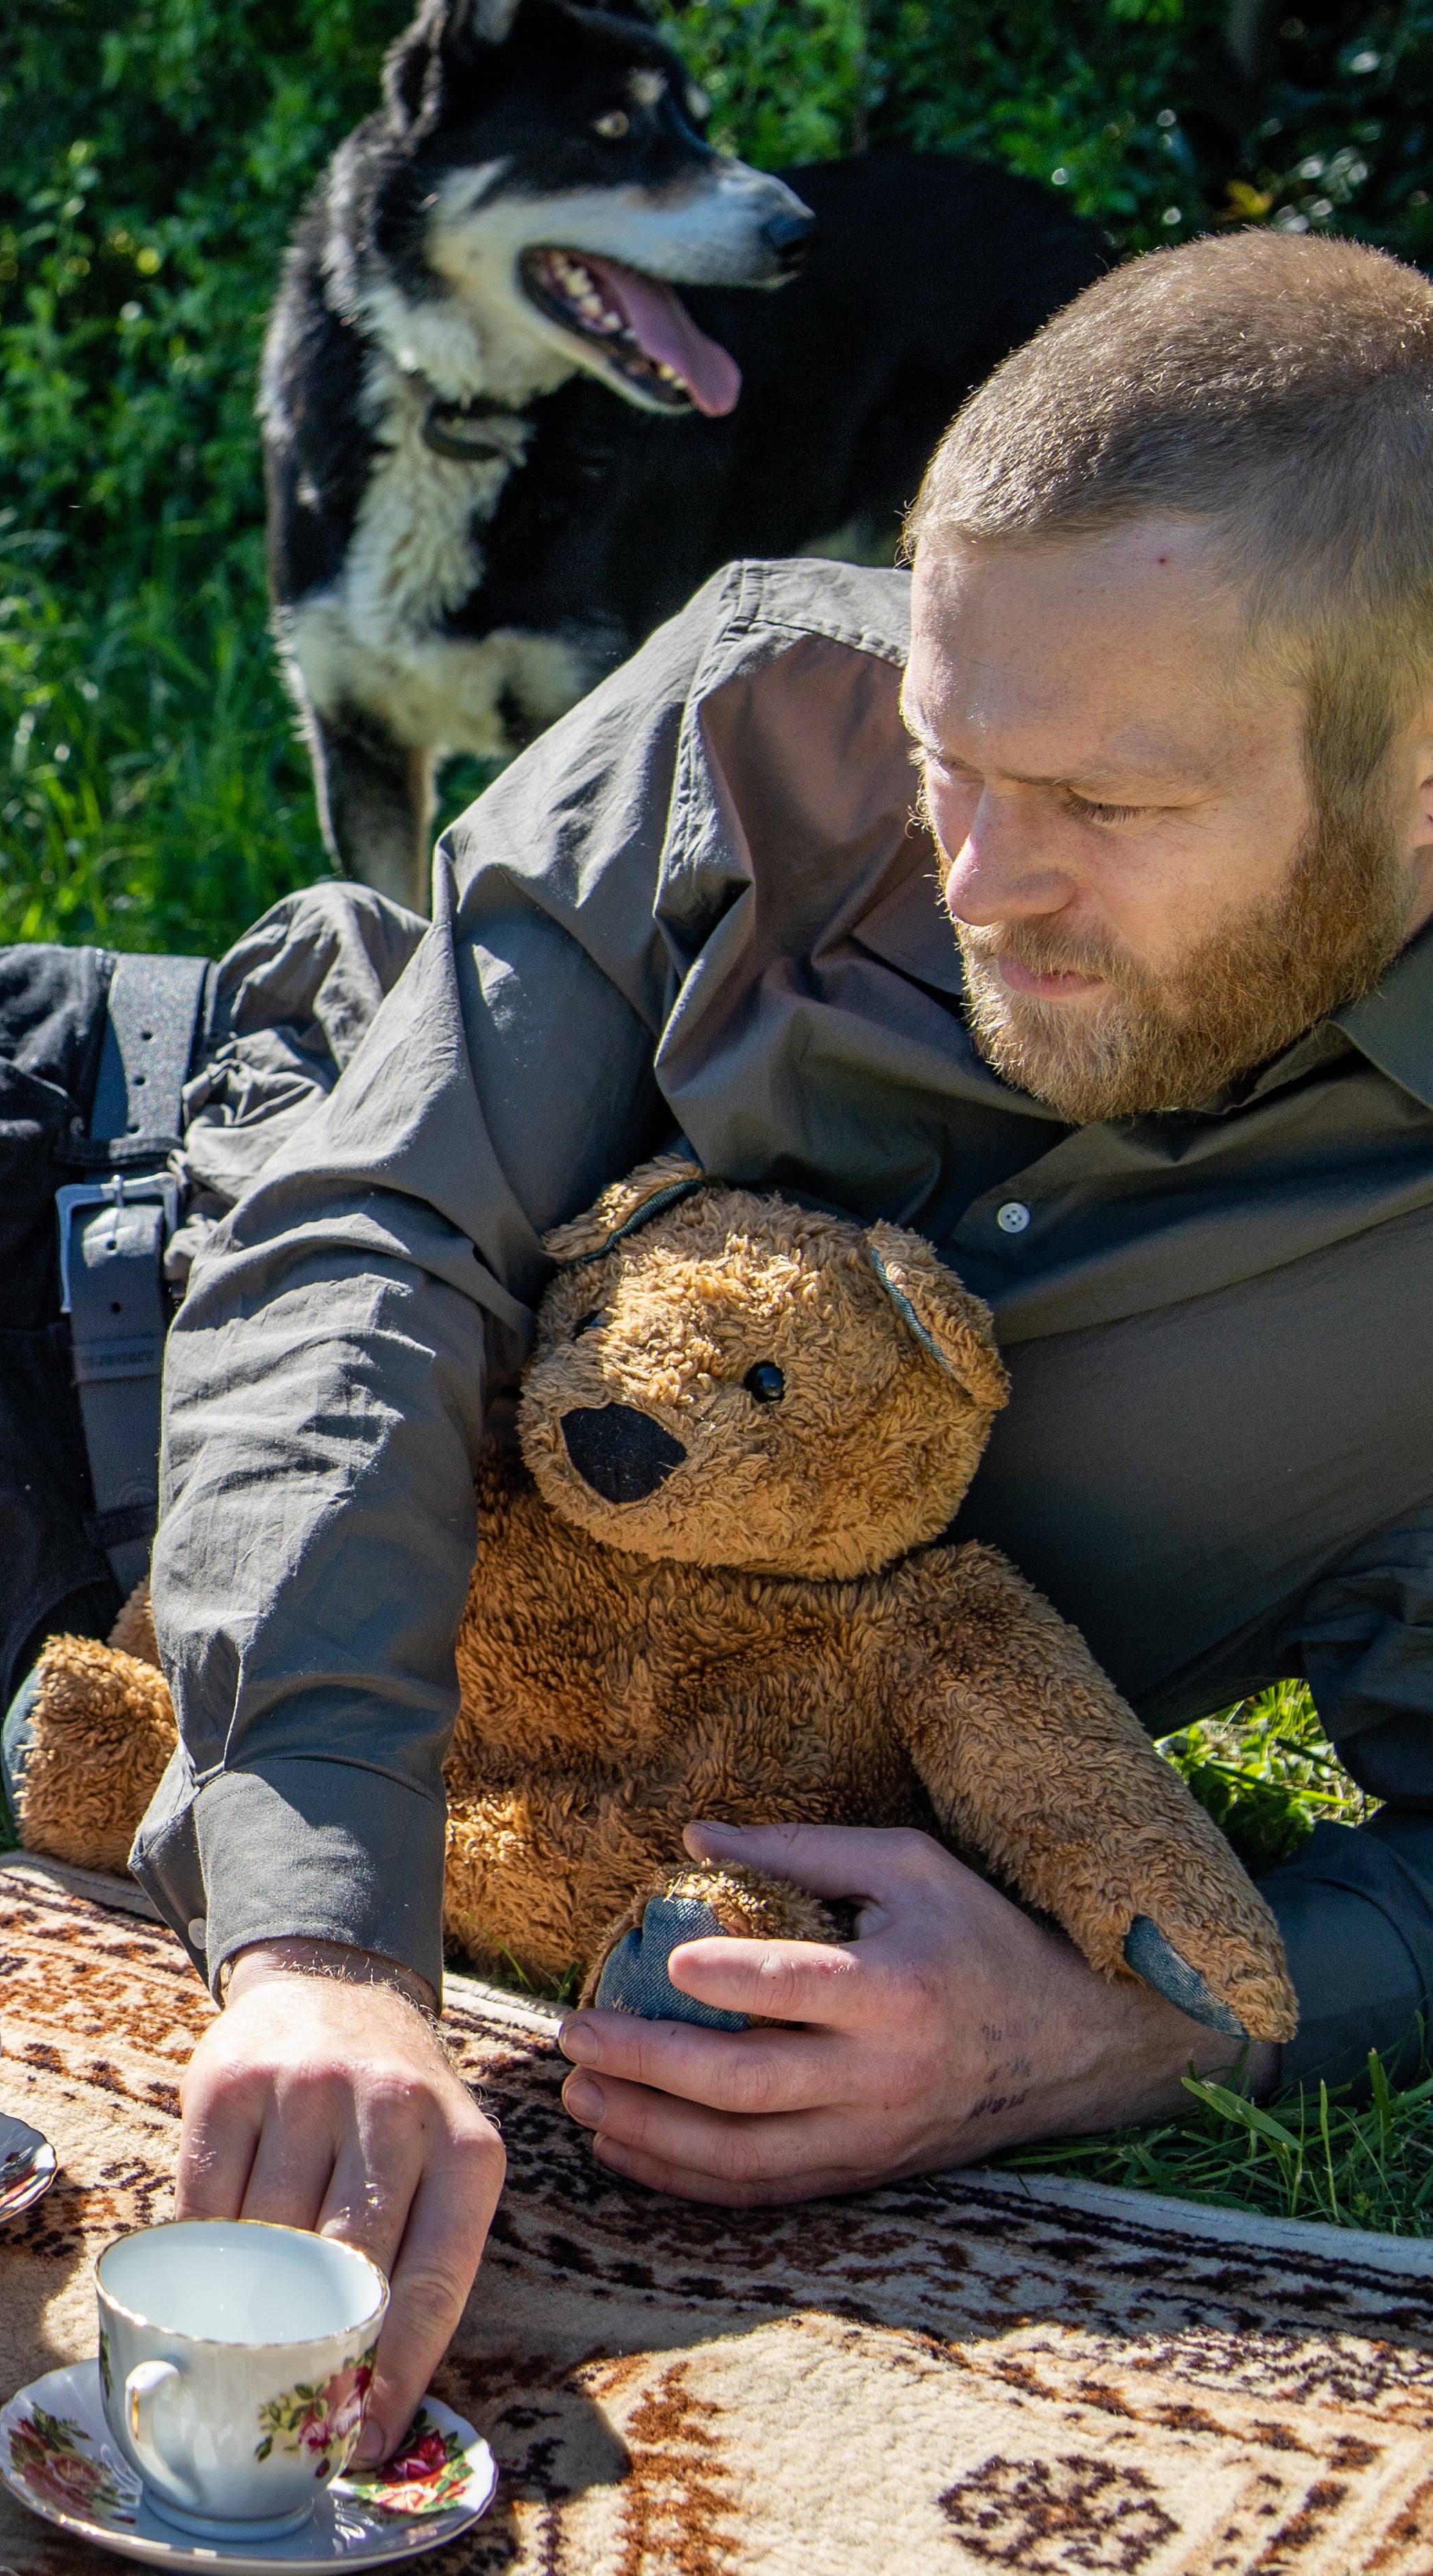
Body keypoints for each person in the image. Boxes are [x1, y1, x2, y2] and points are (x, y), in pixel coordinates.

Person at [136, 225, 1433, 2465]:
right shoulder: (769, 718)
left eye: (1100, 809)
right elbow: (369, 1225)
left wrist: (1117, 2025)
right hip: (95, 1168)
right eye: (948, 756)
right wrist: (324, 1943)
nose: (975, 874)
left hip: (23, 1568)